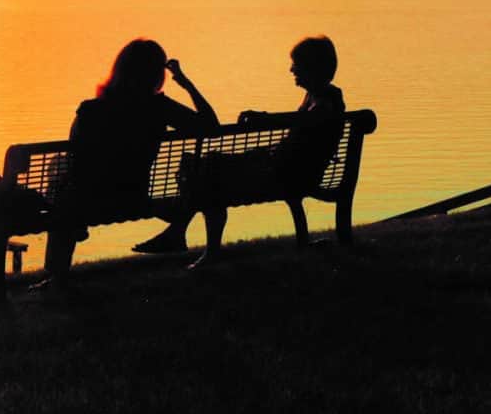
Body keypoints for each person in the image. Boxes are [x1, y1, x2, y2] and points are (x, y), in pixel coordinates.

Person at [44, 38, 219, 283]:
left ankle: (56, 275)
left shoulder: (91, 109)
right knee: (66, 181)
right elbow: (211, 126)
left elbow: (77, 160)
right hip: (134, 196)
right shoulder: (159, 107)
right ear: (157, 74)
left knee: (60, 174)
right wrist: (186, 83)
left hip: (88, 200)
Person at [239, 36, 348, 245]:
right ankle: (179, 232)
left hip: (292, 175)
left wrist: (267, 119)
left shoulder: (325, 101)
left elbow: (308, 121)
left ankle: (205, 249)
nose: (291, 69)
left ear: (311, 68)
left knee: (213, 172)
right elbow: (302, 125)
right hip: (290, 170)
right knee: (210, 166)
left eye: (296, 64)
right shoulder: (317, 95)